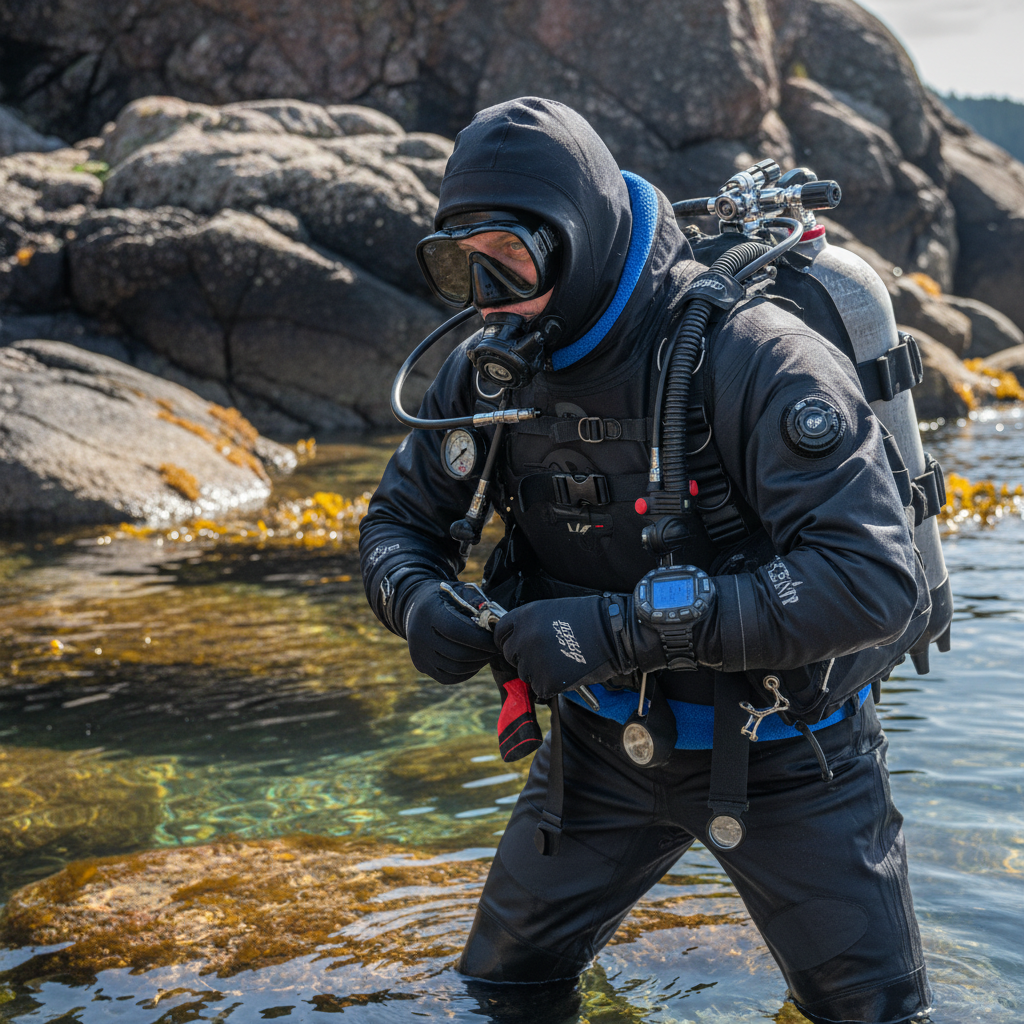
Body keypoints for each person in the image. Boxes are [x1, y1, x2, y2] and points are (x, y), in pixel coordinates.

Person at [359, 96, 933, 1024]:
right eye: (459, 264)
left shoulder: (756, 360)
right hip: (599, 754)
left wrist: (618, 631)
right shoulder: (491, 369)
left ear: (577, 237)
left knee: (877, 1020)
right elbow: (397, 523)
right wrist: (416, 599)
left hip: (790, 755)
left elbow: (873, 581)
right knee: (499, 995)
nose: (487, 297)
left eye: (512, 257)